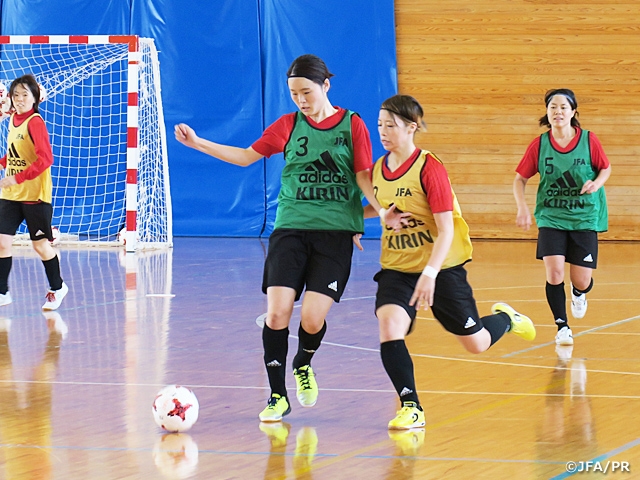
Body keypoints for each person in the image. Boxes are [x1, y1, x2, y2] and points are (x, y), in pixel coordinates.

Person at [175, 54, 402, 422]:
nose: (301, 99)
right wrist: (200, 143)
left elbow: (363, 177)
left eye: (307, 92)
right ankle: (277, 395)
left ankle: (303, 363)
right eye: (294, 93)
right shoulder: (287, 125)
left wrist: (381, 211)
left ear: (326, 86)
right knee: (277, 313)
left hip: (333, 234)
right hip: (290, 228)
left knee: (312, 319)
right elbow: (247, 156)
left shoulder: (352, 125)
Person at [367, 94, 536, 430]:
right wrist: (362, 221)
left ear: (412, 127)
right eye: (380, 125)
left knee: (477, 344)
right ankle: (411, 406)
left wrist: (429, 274)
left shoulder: (429, 167)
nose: (383, 132)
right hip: (398, 268)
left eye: (391, 125)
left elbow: (445, 229)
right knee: (390, 327)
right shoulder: (378, 169)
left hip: (441, 268)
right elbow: (383, 205)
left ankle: (505, 318)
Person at [513, 89, 611, 346]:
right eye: (553, 107)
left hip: (584, 216)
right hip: (551, 216)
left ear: (573, 112)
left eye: (563, 107)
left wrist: (597, 183)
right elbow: (520, 178)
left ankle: (579, 292)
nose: (558, 111)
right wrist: (522, 207)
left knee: (581, 278)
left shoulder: (589, 140)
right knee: (554, 271)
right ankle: (562, 326)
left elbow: (605, 168)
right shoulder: (539, 144)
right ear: (547, 112)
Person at [0, 74, 69, 310]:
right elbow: (17, 153)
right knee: (1, 242)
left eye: (25, 95)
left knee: (40, 246)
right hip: (11, 195)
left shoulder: (36, 122)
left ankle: (57, 288)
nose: (19, 99)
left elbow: (45, 159)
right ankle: (2, 292)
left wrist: (16, 178)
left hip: (35, 195)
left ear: (35, 98)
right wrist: (3, 163)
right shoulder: (12, 120)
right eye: (15, 95)